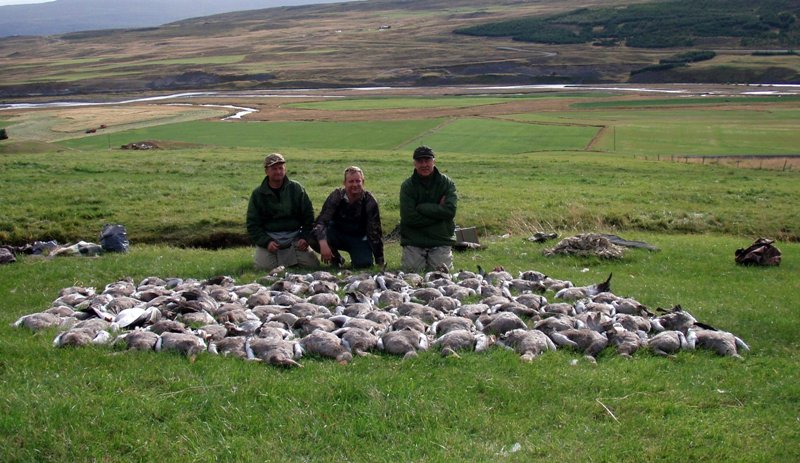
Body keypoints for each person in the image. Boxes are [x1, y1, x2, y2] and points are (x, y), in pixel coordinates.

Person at [246, 153, 320, 271]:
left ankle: (289, 259)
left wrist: (304, 237)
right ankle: (279, 259)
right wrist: (266, 242)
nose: (278, 171)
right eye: (274, 169)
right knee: (262, 268)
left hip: (294, 236)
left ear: (285, 169)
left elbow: (308, 216)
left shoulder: (297, 189)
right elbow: (252, 224)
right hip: (270, 237)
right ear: (266, 171)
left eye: (281, 168)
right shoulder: (257, 194)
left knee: (313, 266)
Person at [311, 166, 384, 269]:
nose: (355, 184)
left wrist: (379, 260)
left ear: (363, 182)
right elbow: (321, 222)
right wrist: (323, 243)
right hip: (337, 233)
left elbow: (375, 232)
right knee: (313, 237)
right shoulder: (336, 196)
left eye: (358, 181)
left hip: (358, 238)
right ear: (344, 183)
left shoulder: (370, 201)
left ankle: (359, 258)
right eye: (351, 181)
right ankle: (336, 259)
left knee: (364, 264)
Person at [399, 145, 458, 272]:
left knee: (441, 273)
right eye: (420, 161)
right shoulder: (407, 186)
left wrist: (422, 208)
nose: (424, 164)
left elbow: (450, 211)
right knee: (412, 271)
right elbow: (409, 218)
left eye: (427, 160)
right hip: (414, 239)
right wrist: (438, 214)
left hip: (440, 238)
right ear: (414, 163)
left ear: (434, 161)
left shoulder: (447, 183)